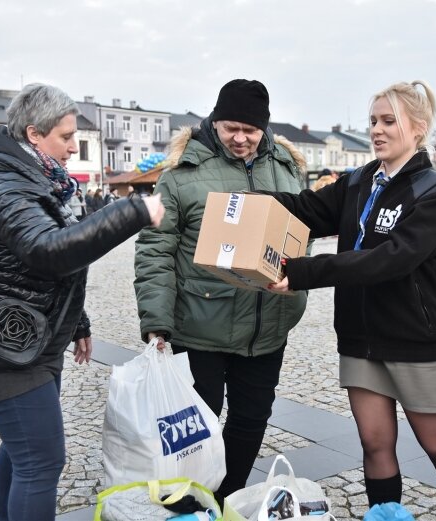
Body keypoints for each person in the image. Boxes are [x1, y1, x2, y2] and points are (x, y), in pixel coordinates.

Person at [267, 80, 436, 521]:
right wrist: (246, 203)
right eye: (373, 120)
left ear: (418, 127)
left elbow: (389, 260)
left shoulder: (434, 191)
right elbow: (306, 209)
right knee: (375, 442)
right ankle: (385, 517)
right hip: (360, 335)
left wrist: (302, 272)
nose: (377, 130)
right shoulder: (359, 179)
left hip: (416, 336)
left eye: (389, 121)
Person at [0, 83, 164, 521]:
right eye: (65, 137)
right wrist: (134, 212)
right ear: (33, 135)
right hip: (2, 350)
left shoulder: (42, 180)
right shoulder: (8, 187)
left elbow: (43, 272)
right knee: (40, 462)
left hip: (32, 340)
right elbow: (48, 249)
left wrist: (77, 322)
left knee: (21, 453)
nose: (72, 147)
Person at [134, 78, 308, 500]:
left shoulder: (285, 167)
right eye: (231, 127)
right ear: (215, 121)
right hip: (200, 325)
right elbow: (155, 250)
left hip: (267, 325)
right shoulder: (181, 174)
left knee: (251, 419)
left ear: (264, 129)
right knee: (199, 423)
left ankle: (226, 497)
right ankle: (195, 500)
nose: (240, 138)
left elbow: (303, 231)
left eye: (250, 130)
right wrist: (156, 322)